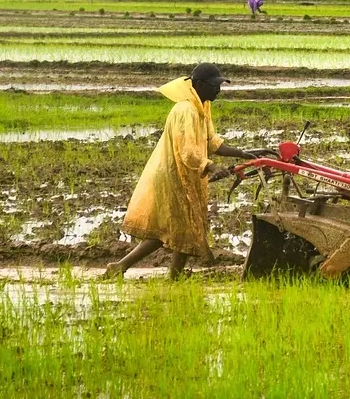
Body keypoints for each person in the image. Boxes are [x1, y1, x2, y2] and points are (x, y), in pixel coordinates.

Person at [106, 63, 269, 279]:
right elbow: (188, 151)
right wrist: (210, 166)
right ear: (200, 85)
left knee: (182, 227)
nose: (218, 90)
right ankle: (129, 267)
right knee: (175, 226)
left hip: (187, 173)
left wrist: (245, 153)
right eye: (215, 86)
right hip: (173, 174)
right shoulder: (185, 110)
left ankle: (162, 273)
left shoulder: (202, 106)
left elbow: (212, 143)